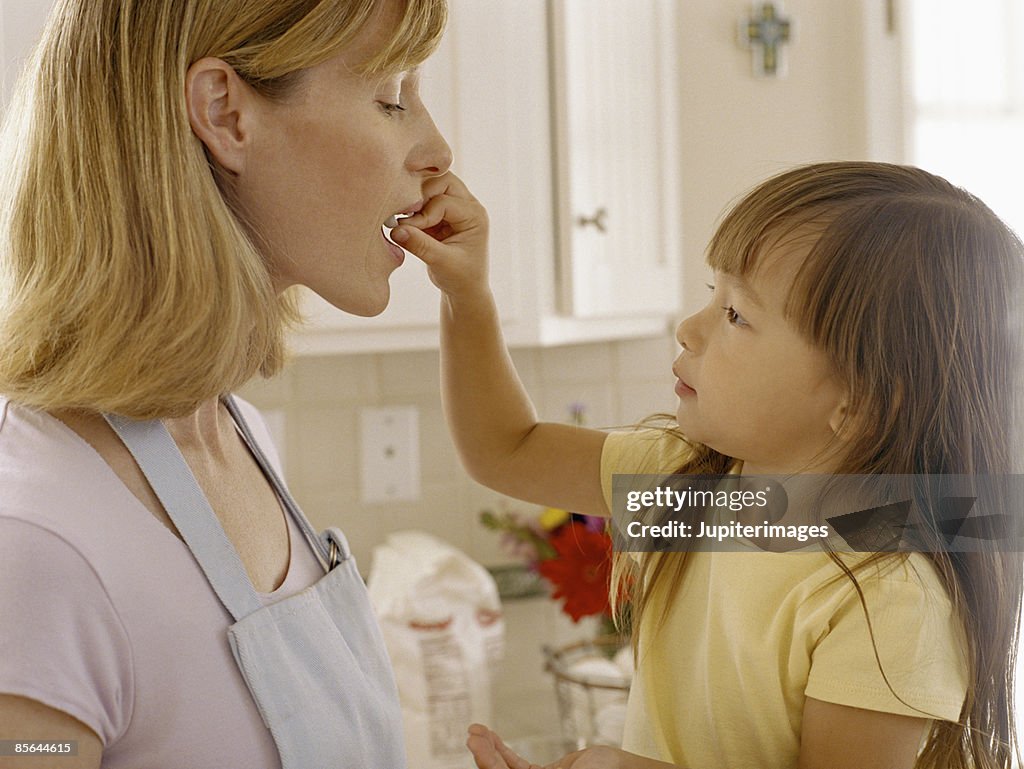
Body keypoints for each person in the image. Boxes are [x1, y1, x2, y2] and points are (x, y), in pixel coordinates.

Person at [391, 162, 1024, 768]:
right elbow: (508, 449)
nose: (688, 329)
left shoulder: (892, 596)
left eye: (735, 315)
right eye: (710, 295)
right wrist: (466, 293)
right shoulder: (694, 486)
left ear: (859, 399)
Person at [0, 0, 452, 767]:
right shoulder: (34, 549)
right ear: (224, 113)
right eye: (392, 100)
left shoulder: (234, 432)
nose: (436, 149)